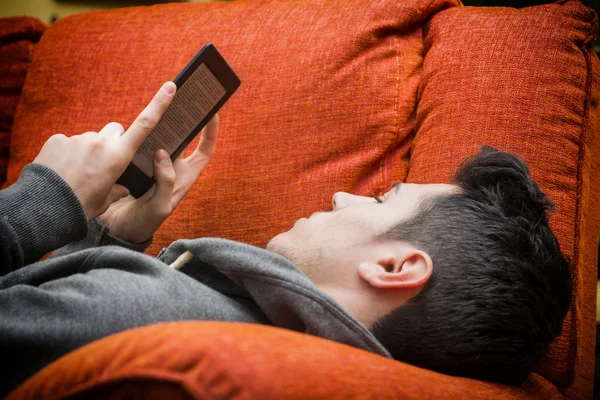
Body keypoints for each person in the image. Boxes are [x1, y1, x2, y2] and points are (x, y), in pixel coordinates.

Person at [0, 82, 571, 396]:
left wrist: (42, 205)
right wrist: (114, 236)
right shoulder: (234, 325)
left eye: (380, 201)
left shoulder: (151, 316)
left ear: (397, 268)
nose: (345, 198)